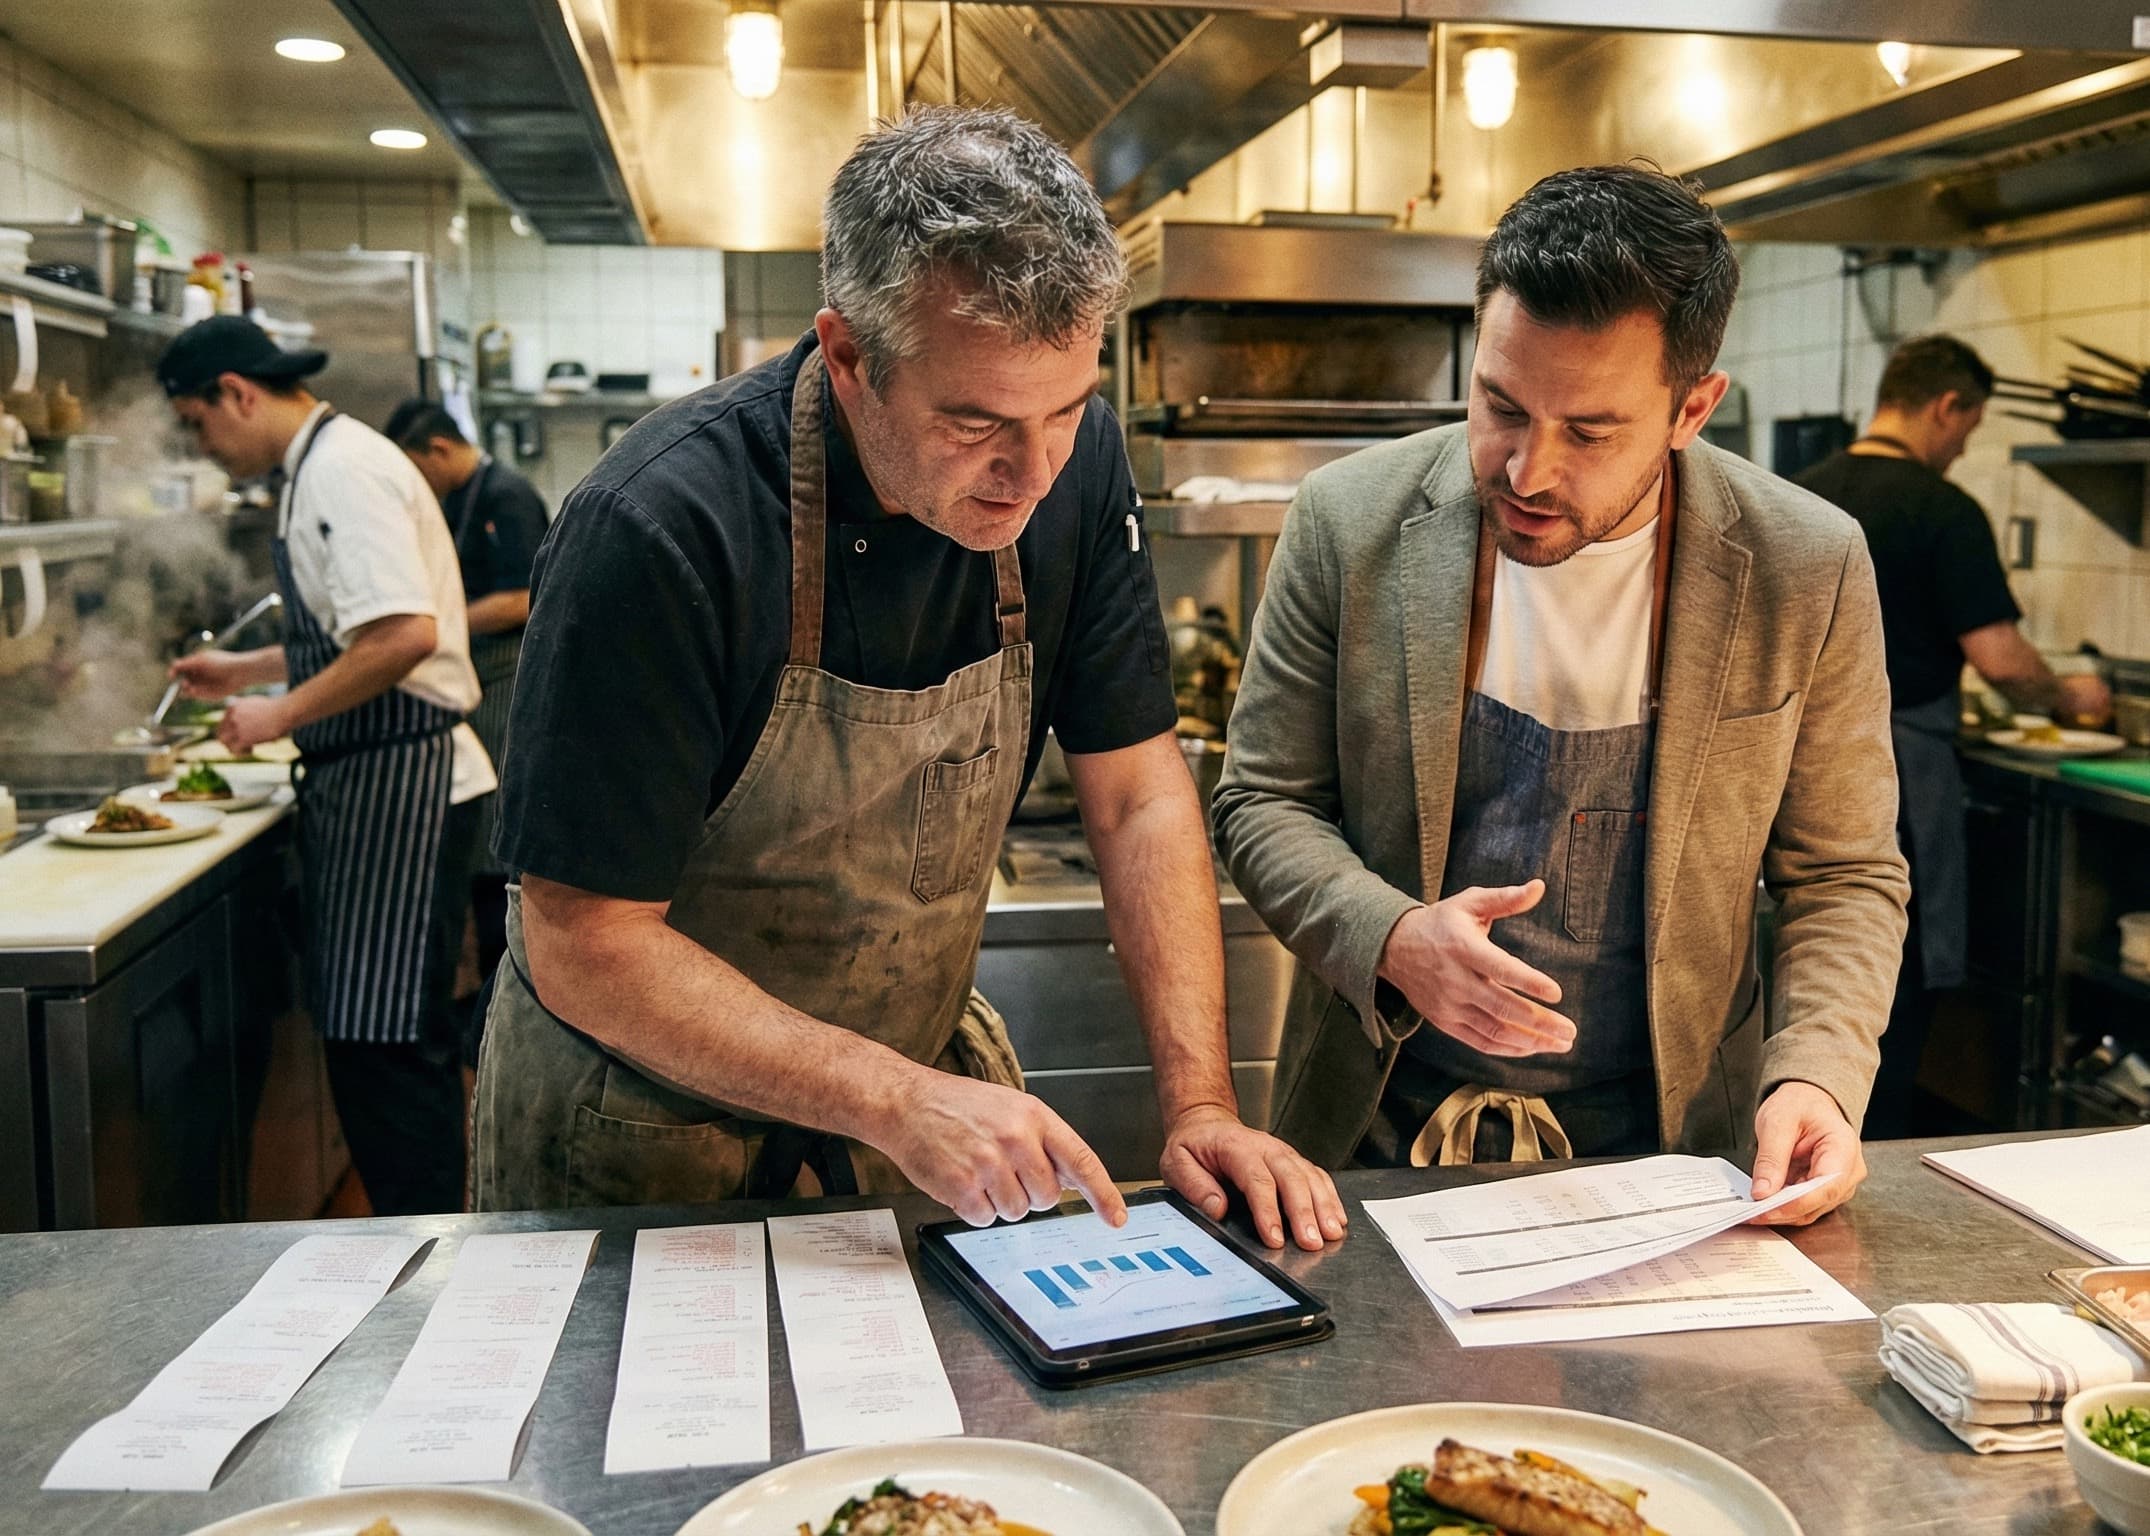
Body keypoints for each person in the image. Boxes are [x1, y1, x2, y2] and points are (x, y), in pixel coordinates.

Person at [469, 106, 1345, 1251]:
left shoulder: (1076, 468)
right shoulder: (659, 524)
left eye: (1064, 410)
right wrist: (892, 1098)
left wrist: (1200, 1107)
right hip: (636, 1138)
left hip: (899, 1124)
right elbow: (583, 943)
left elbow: (1136, 793)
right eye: (973, 423)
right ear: (846, 355)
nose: (1031, 472)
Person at [1213, 165, 1911, 1227]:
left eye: (1588, 432)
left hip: (1680, 1157)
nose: (1527, 471)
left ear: (1691, 409)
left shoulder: (1803, 564)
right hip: (1370, 1142)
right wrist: (1390, 935)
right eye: (1500, 406)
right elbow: (1261, 801)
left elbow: (1844, 872)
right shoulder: (1347, 522)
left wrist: (1817, 1072)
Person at [160, 316, 493, 1216]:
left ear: (236, 393)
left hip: (401, 785)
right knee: (379, 1043)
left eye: (196, 422)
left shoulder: (340, 471)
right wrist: (248, 670)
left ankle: (428, 1252)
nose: (202, 445)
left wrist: (277, 712)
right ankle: (420, 1241)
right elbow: (362, 629)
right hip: (383, 781)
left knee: (388, 1050)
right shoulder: (326, 463)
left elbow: (403, 636)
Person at [1795, 334, 2112, 1137]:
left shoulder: (1802, 493)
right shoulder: (1943, 510)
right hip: (1897, 775)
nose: (1963, 449)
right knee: (1888, 970)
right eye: (1968, 431)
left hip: (1793, 762)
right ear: (1946, 407)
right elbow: (2001, 659)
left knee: (1811, 962)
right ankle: (1869, 1148)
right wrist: (2069, 695)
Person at [385, 398, 548, 1065]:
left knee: (497, 854)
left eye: (417, 467)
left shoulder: (506, 496)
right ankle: (483, 1010)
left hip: (506, 682)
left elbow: (522, 598)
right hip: (478, 683)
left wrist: (440, 622)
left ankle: (501, 1016)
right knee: (481, 853)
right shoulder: (460, 497)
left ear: (439, 449)